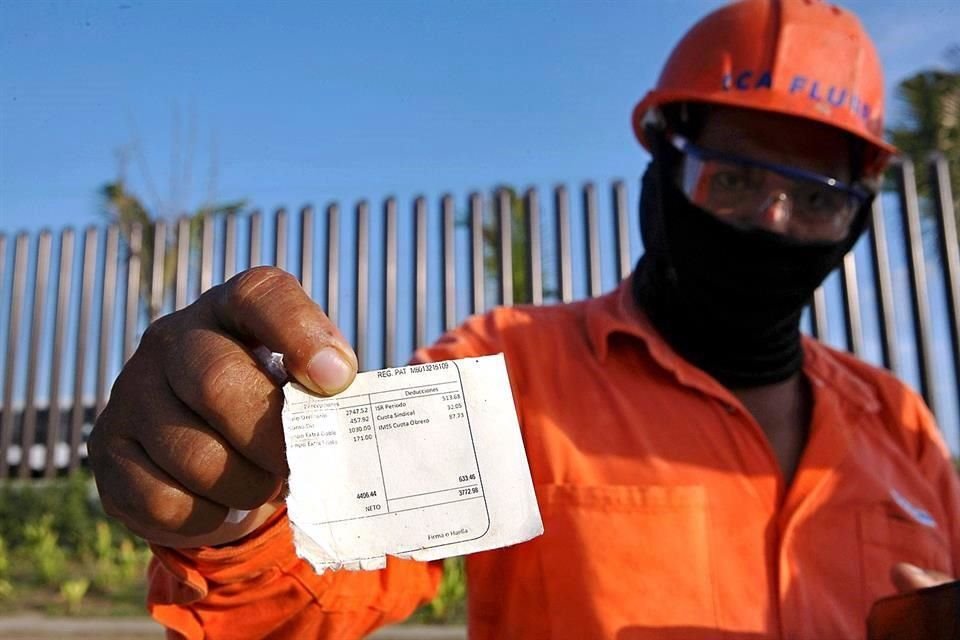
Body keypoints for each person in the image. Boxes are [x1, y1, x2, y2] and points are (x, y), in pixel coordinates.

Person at [89, 0, 959, 638]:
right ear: (661, 167)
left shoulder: (900, 423)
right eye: (732, 178)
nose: (773, 222)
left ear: (858, 214)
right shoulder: (509, 371)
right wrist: (233, 518)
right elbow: (315, 590)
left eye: (816, 197)